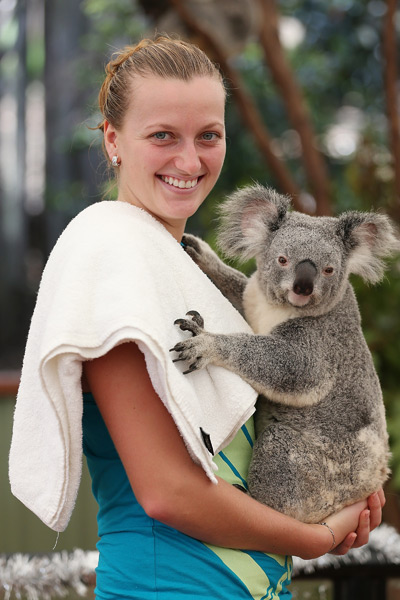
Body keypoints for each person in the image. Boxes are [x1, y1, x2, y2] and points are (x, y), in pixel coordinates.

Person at [10, 36, 385, 600]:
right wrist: (314, 537)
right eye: (163, 136)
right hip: (168, 588)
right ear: (112, 140)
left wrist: (343, 489)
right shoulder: (111, 261)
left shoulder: (177, 266)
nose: (190, 161)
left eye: (208, 135)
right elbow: (168, 493)